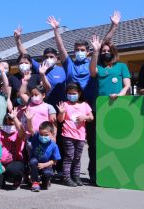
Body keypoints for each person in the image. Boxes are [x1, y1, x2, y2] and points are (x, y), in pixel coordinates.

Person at [46, 11, 121, 182]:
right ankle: (66, 173)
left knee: (92, 143)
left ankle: (94, 173)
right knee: (70, 142)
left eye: (82, 50)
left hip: (91, 108)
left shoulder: (93, 61)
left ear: (87, 52)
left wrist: (114, 26)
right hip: (72, 108)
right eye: (77, 50)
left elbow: (102, 45)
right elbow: (61, 48)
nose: (79, 52)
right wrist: (56, 30)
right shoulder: (69, 64)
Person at [14, 27, 66, 106]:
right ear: (43, 58)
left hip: (59, 105)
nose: (48, 59)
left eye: (51, 57)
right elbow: (25, 55)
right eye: (46, 57)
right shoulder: (39, 67)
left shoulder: (63, 70)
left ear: (56, 58)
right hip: (41, 105)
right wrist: (17, 39)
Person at [57, 82, 94, 187]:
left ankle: (76, 177)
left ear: (80, 93)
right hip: (68, 135)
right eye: (69, 93)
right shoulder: (65, 104)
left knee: (77, 158)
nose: (71, 95)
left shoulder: (85, 105)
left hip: (81, 136)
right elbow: (60, 120)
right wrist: (61, 112)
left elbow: (91, 117)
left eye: (74, 93)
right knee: (69, 156)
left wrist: (85, 117)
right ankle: (66, 177)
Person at [25, 110, 61, 192]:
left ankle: (45, 182)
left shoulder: (54, 146)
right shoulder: (36, 138)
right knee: (33, 161)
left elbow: (54, 161)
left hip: (46, 165)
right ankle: (35, 182)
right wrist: (29, 119)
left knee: (47, 173)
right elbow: (30, 129)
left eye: (46, 135)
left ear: (52, 133)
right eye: (41, 134)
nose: (43, 136)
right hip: (35, 164)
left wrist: (45, 165)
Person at [0, 108, 26, 190]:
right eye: (8, 121)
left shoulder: (17, 134)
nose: (9, 123)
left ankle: (17, 179)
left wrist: (15, 118)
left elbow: (22, 132)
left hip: (14, 161)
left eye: (12, 122)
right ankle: (3, 178)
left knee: (12, 170)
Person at [19, 71, 57, 136]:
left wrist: (53, 136)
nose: (34, 97)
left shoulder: (49, 107)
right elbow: (22, 93)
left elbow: (54, 124)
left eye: (36, 95)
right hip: (30, 136)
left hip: (44, 136)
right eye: (32, 95)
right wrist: (25, 81)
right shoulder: (29, 104)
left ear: (43, 95)